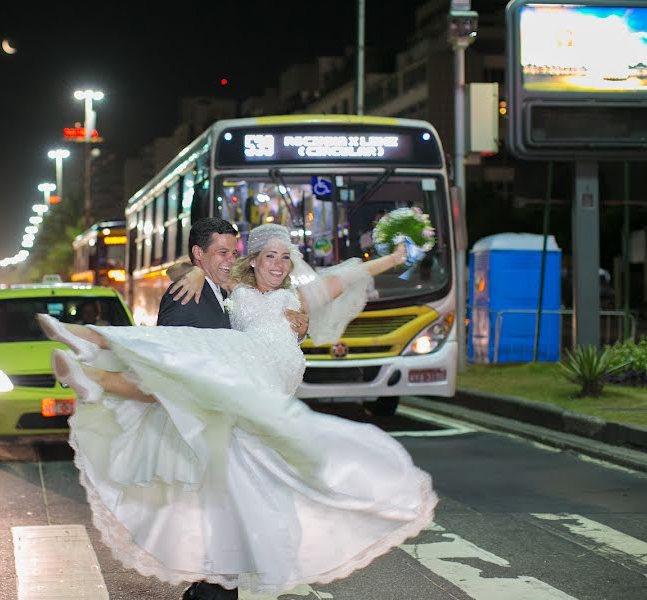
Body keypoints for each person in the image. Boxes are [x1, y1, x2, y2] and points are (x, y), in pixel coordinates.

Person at [36, 223, 436, 597]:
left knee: (193, 386)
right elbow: (197, 265)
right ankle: (91, 352)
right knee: (183, 357)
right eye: (269, 257)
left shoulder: (299, 300)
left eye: (285, 257)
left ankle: (95, 368)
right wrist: (190, 273)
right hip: (239, 374)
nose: (278, 265)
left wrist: (396, 256)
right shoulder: (236, 292)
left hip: (261, 402)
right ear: (255, 261)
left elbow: (346, 277)